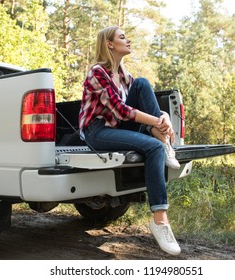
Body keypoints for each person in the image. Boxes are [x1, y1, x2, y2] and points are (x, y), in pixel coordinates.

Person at [78, 26, 181, 255]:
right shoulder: (97, 72)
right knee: (153, 147)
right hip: (97, 131)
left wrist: (163, 117)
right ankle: (160, 221)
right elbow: (122, 111)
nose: (129, 40)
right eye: (122, 37)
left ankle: (163, 139)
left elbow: (137, 108)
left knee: (143, 83)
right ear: (109, 44)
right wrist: (157, 121)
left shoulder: (125, 76)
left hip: (117, 126)